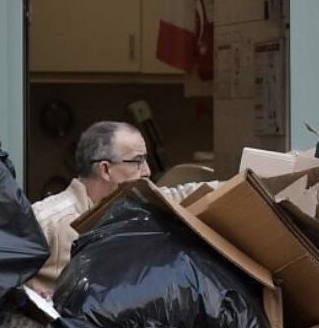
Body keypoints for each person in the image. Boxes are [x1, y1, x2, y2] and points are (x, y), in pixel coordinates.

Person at [28, 120, 210, 297]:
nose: (147, 171)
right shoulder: (47, 220)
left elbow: (183, 194)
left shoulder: (137, 204)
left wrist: (227, 187)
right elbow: (9, 276)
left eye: (146, 160)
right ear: (106, 170)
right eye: (138, 161)